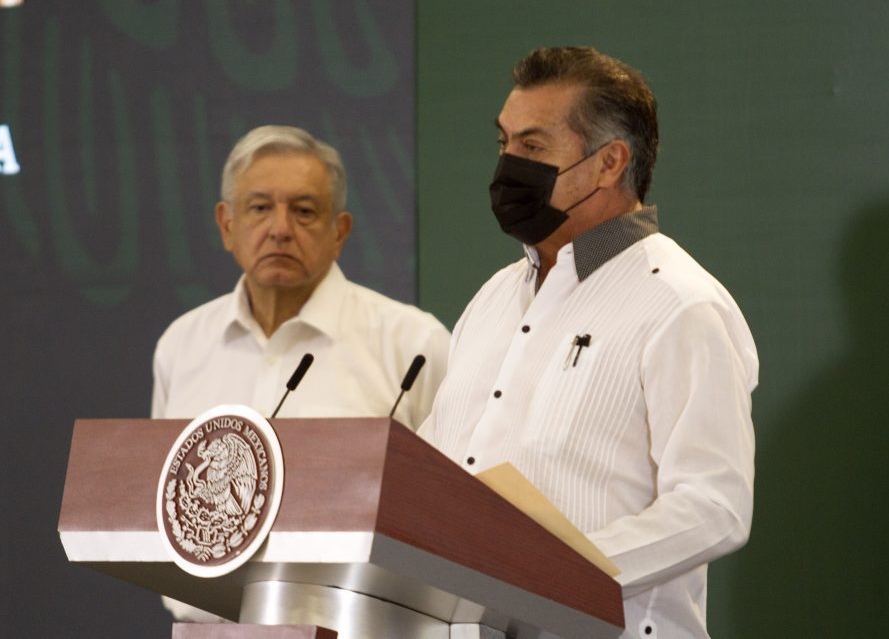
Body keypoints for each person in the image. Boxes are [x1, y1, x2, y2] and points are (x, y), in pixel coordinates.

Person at [419, 47, 758, 639]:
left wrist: (552, 571)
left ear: (609, 163)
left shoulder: (681, 303)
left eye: (532, 147)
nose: (507, 166)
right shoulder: (493, 297)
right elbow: (435, 474)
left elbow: (715, 506)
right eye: (503, 144)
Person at [152, 125, 449, 621]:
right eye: (260, 207)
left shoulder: (413, 345)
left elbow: (453, 522)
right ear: (226, 224)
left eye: (304, 210)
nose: (280, 228)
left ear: (341, 231)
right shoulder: (182, 344)